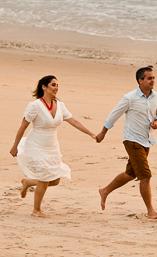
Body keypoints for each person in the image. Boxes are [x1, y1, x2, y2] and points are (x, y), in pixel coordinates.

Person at [10, 75, 97, 217]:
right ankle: (36, 210)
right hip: (36, 145)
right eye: (53, 85)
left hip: (52, 147)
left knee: (55, 180)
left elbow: (74, 122)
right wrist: (15, 145)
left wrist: (91, 134)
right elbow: (23, 126)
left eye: (57, 85)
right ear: (44, 87)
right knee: (45, 179)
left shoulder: (60, 106)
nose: (56, 88)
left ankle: (28, 182)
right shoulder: (35, 106)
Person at [95, 66, 157, 219]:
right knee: (145, 176)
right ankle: (150, 211)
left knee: (130, 174)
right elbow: (114, 115)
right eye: (149, 78)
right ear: (140, 81)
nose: (153, 80)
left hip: (147, 141)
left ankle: (105, 190)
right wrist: (102, 133)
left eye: (153, 78)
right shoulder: (130, 97)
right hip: (132, 141)